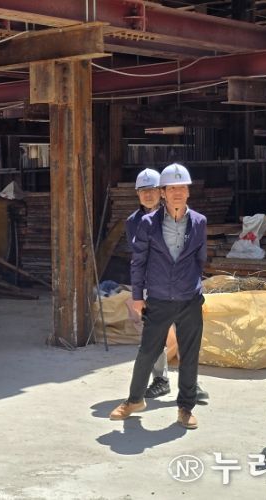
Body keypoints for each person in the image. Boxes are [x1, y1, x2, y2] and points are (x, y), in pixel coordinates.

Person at [110, 163, 207, 429]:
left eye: (182, 188)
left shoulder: (199, 222)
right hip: (159, 298)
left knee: (189, 354)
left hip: (189, 299)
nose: (177, 193)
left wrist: (193, 286)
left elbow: (200, 259)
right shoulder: (147, 224)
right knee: (147, 352)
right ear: (163, 192)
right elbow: (138, 262)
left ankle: (185, 408)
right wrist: (137, 296)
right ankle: (134, 400)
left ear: (188, 192)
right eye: (171, 188)